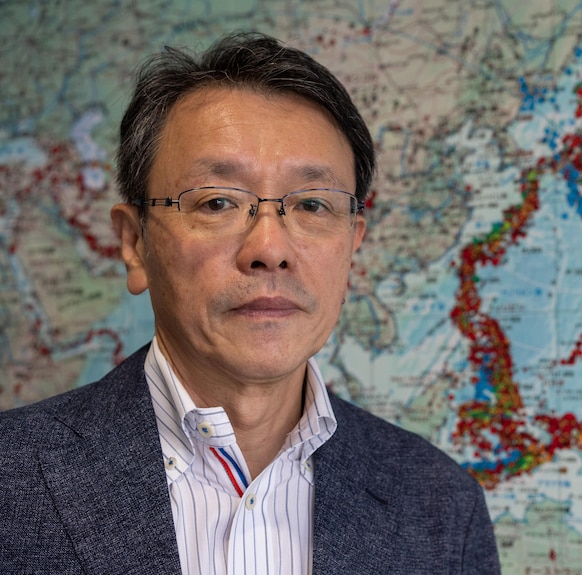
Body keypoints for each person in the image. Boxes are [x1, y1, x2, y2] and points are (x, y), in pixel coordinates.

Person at [0, 32, 501, 575]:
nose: (269, 249)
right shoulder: (13, 476)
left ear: (353, 243)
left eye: (312, 204)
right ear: (135, 244)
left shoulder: (442, 508)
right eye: (217, 202)